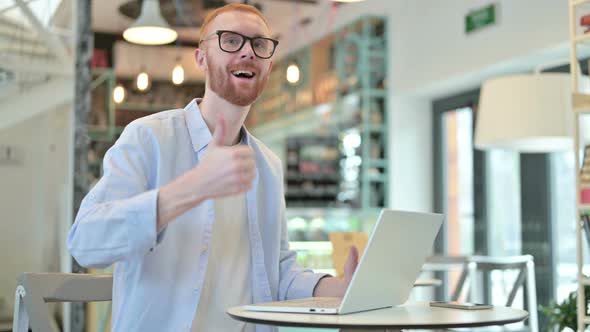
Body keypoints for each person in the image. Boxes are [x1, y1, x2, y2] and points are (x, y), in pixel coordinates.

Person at [67, 3, 359, 332]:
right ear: (201, 59)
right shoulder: (149, 137)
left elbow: (276, 271)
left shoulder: (268, 166)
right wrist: (196, 186)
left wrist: (338, 289)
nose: (248, 52)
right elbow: (86, 242)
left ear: (269, 63)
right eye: (231, 40)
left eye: (259, 44)